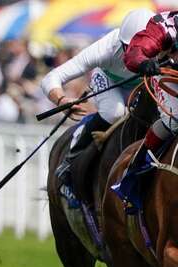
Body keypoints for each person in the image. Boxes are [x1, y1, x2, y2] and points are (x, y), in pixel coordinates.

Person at [40, 9, 153, 188]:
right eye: (129, 48)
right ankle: (72, 158)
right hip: (109, 81)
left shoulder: (167, 43)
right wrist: (61, 100)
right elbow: (50, 78)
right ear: (121, 43)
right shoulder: (105, 48)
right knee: (114, 112)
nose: (134, 56)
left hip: (144, 85)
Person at [124, 10, 178, 157]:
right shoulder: (164, 25)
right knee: (174, 119)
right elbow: (135, 52)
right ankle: (135, 169)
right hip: (169, 76)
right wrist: (142, 62)